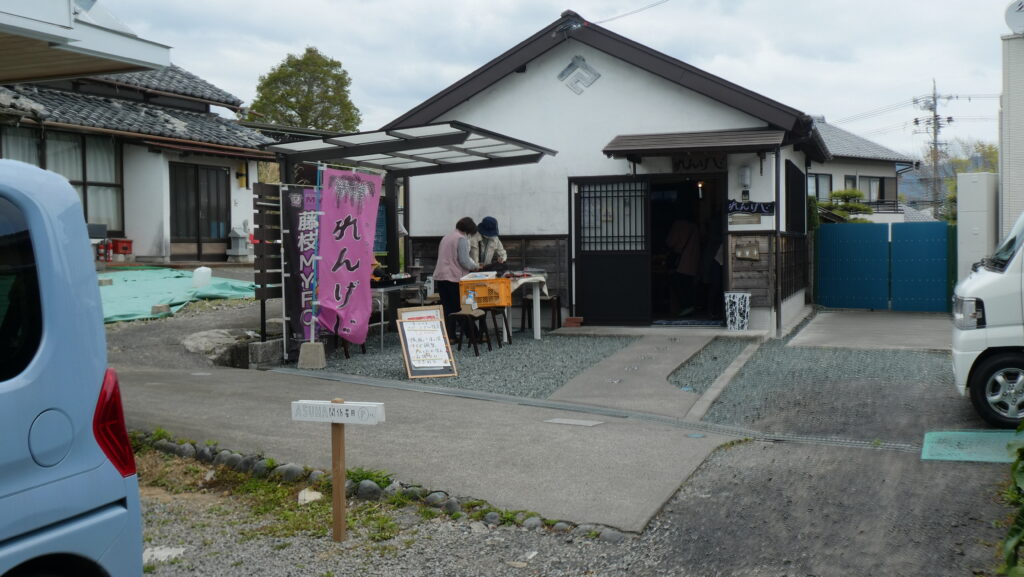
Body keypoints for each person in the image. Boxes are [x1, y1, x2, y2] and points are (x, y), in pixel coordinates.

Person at [433, 216, 479, 337]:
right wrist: (475, 267)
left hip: (440, 276)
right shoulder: (461, 239)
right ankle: (473, 335)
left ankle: (450, 336)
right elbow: (464, 261)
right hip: (453, 277)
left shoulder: (446, 237)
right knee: (461, 308)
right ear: (468, 231)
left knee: (448, 309)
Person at [665, 210, 700, 317]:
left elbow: (670, 242)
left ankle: (685, 307)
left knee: (678, 284)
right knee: (689, 285)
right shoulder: (694, 227)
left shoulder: (678, 225)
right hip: (693, 261)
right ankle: (691, 307)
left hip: (681, 262)